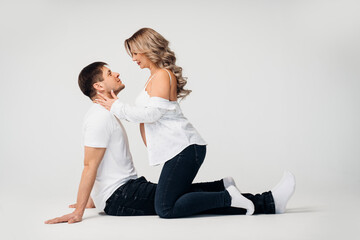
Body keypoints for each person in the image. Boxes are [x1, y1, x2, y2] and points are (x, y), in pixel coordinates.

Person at [45, 62, 295, 224]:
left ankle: (234, 191)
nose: (118, 73)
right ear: (99, 86)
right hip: (121, 196)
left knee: (176, 196)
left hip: (124, 191)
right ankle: (256, 200)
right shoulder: (99, 118)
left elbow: (102, 165)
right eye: (110, 73)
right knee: (172, 203)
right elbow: (89, 165)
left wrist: (95, 197)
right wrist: (80, 209)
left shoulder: (108, 113)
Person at [95, 28, 296, 219]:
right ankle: (253, 197)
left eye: (135, 53)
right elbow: (148, 114)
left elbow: (152, 114)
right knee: (177, 198)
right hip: (179, 150)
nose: (133, 59)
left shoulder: (163, 75)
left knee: (165, 207)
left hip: (184, 149)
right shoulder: (154, 77)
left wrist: (117, 107)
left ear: (147, 48)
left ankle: (225, 195)